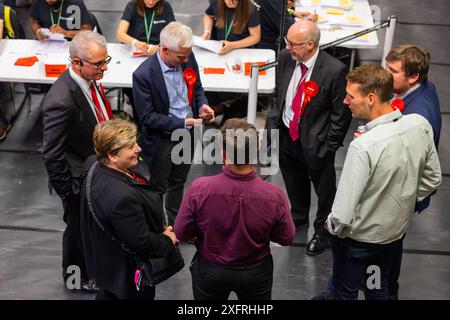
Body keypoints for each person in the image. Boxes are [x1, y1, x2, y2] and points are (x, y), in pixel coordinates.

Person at [314, 64, 442, 300]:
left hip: (357, 244)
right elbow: (433, 178)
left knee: (344, 292)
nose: (345, 101)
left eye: (351, 96)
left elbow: (342, 214)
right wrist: (402, 203)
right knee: (376, 287)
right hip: (392, 237)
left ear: (371, 98)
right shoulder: (419, 125)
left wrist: (331, 226)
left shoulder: (364, 146)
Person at [175, 118, 295, 300]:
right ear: (256, 151)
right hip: (255, 271)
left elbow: (182, 232)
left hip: (210, 269)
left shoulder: (199, 189)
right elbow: (286, 237)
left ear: (223, 154)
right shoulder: (274, 196)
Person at [265, 20, 351, 256]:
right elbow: (280, 92)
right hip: (287, 136)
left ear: (311, 45)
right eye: (287, 42)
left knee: (324, 193)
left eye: (293, 44)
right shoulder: (285, 58)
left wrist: (329, 146)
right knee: (293, 181)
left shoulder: (334, 70)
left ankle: (323, 232)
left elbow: (340, 115)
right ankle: (299, 217)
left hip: (317, 145)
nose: (288, 48)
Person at [42, 30, 113, 292]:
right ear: (76, 63)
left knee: (89, 227)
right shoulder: (61, 100)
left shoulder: (89, 80)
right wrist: (68, 191)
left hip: (93, 169)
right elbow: (51, 152)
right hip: (76, 179)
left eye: (106, 61)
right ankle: (75, 277)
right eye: (98, 64)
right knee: (76, 230)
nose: (104, 68)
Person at [80, 119, 179, 300]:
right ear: (112, 155)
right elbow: (140, 242)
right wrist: (167, 240)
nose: (139, 149)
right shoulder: (124, 199)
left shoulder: (92, 165)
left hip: (106, 267)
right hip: (127, 276)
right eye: (131, 146)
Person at [133, 21, 215, 226]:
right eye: (181, 57)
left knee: (178, 182)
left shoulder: (187, 57)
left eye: (187, 55)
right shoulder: (143, 75)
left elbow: (197, 89)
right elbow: (147, 118)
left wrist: (203, 106)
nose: (186, 60)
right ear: (165, 49)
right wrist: (181, 122)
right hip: (163, 139)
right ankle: (159, 229)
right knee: (158, 188)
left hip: (188, 132)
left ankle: (176, 226)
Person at [384, 44, 442, 300]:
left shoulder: (419, 115)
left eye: (393, 71)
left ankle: (386, 291)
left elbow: (410, 165)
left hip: (398, 196)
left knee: (387, 249)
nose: (386, 76)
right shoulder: (423, 89)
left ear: (413, 76)